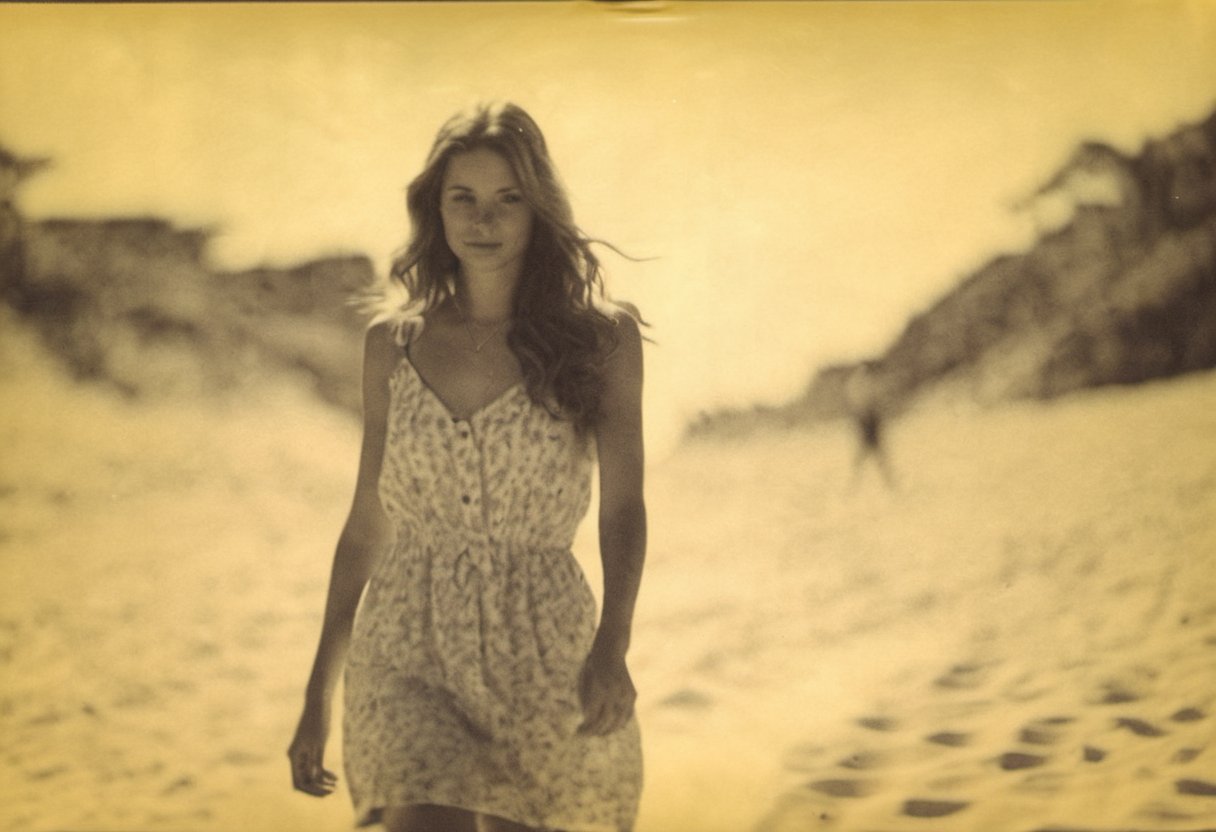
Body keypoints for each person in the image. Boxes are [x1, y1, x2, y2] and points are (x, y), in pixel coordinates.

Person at [287, 102, 647, 832]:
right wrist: (316, 694)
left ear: (537, 209)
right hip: (407, 639)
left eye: (507, 200)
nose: (484, 220)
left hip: (541, 640)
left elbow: (622, 509)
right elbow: (365, 525)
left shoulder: (601, 341)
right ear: (437, 210)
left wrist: (613, 643)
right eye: (465, 199)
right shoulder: (392, 346)